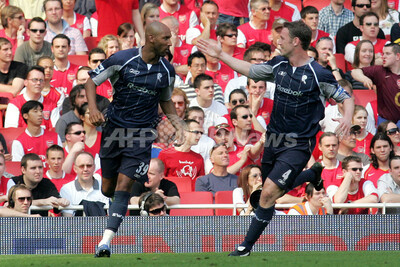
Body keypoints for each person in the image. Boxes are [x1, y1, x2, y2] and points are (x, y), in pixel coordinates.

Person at [197, 20, 354, 256]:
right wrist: (220, 55)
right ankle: (311, 175)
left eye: (282, 38)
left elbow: (347, 97)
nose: (277, 41)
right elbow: (249, 70)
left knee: (267, 192)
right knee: (272, 190)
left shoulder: (318, 73)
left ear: (296, 41)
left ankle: (245, 247)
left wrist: (348, 117)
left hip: (299, 143)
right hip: (274, 139)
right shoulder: (278, 64)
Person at [87, 21, 184, 258]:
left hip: (142, 135)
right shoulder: (122, 59)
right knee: (109, 187)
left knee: (123, 186)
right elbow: (91, 81)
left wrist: (179, 125)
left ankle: (105, 242)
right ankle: (114, 210)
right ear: (151, 38)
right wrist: (93, 109)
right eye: (165, 39)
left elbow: (166, 99)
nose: (169, 43)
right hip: (114, 131)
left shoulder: (167, 70)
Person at [352, 43, 400, 126]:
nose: (383, 57)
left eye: (388, 54)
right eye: (383, 53)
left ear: (397, 56)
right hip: (385, 122)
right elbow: (355, 72)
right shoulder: (379, 71)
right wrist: (364, 79)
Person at [158, 119, 205, 190]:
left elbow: (201, 183)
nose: (199, 136)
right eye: (196, 132)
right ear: (184, 132)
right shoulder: (165, 154)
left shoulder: (199, 158)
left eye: (201, 133)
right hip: (172, 197)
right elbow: (159, 180)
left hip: (193, 198)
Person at [60, 152, 109, 216]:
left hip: (102, 225)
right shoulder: (66, 189)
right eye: (81, 166)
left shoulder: (105, 187)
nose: (85, 169)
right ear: (75, 169)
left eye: (89, 166)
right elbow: (68, 220)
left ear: (94, 167)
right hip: (76, 225)